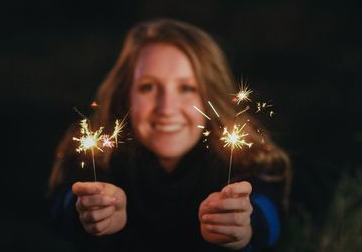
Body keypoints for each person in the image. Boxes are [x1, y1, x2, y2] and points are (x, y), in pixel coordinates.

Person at [48, 18, 291, 252]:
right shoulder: (99, 162)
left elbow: (270, 215)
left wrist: (246, 228)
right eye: (148, 87)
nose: (166, 108)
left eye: (186, 88)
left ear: (210, 96)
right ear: (125, 95)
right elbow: (61, 213)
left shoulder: (242, 163)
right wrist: (87, 213)